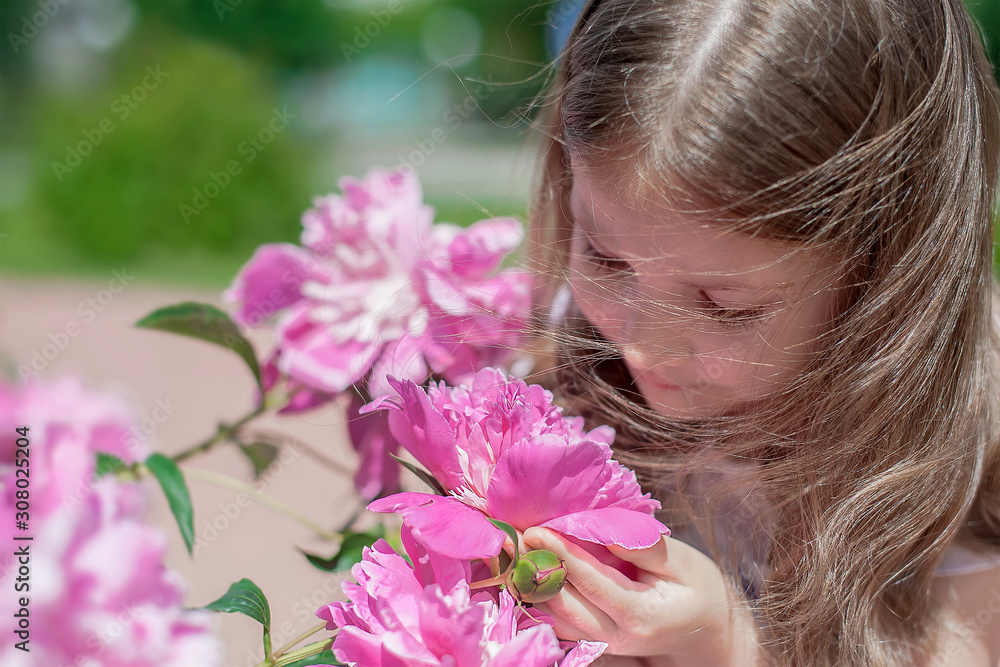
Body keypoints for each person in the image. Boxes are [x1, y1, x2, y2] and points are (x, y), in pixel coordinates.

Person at [522, 0, 1000, 664]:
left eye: (725, 305)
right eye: (605, 257)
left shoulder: (969, 471)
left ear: (879, 274)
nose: (645, 345)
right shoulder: (569, 366)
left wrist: (725, 644)